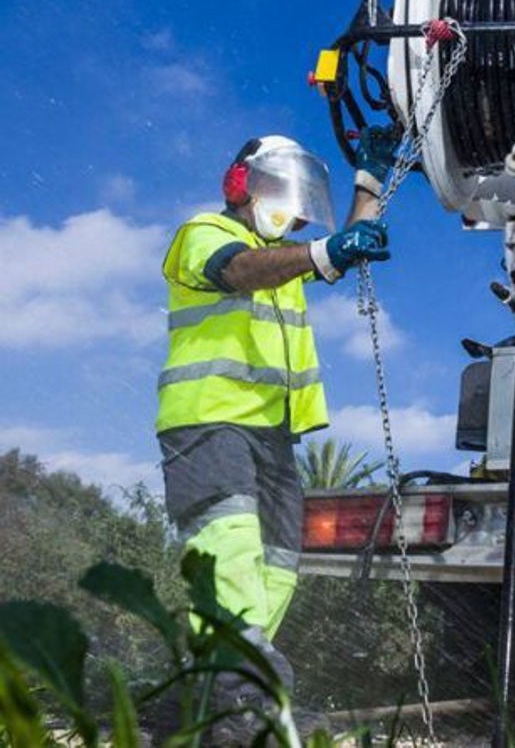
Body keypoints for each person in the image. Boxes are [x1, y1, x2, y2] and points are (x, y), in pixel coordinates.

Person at [154, 127, 397, 730]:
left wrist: (368, 182)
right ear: (241, 184)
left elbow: (339, 249)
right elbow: (239, 271)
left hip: (271, 435)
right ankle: (235, 702)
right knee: (229, 549)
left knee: (279, 567)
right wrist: (323, 254)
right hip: (210, 423)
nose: (291, 216)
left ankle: (232, 694)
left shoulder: (284, 261)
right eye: (277, 194)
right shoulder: (206, 235)